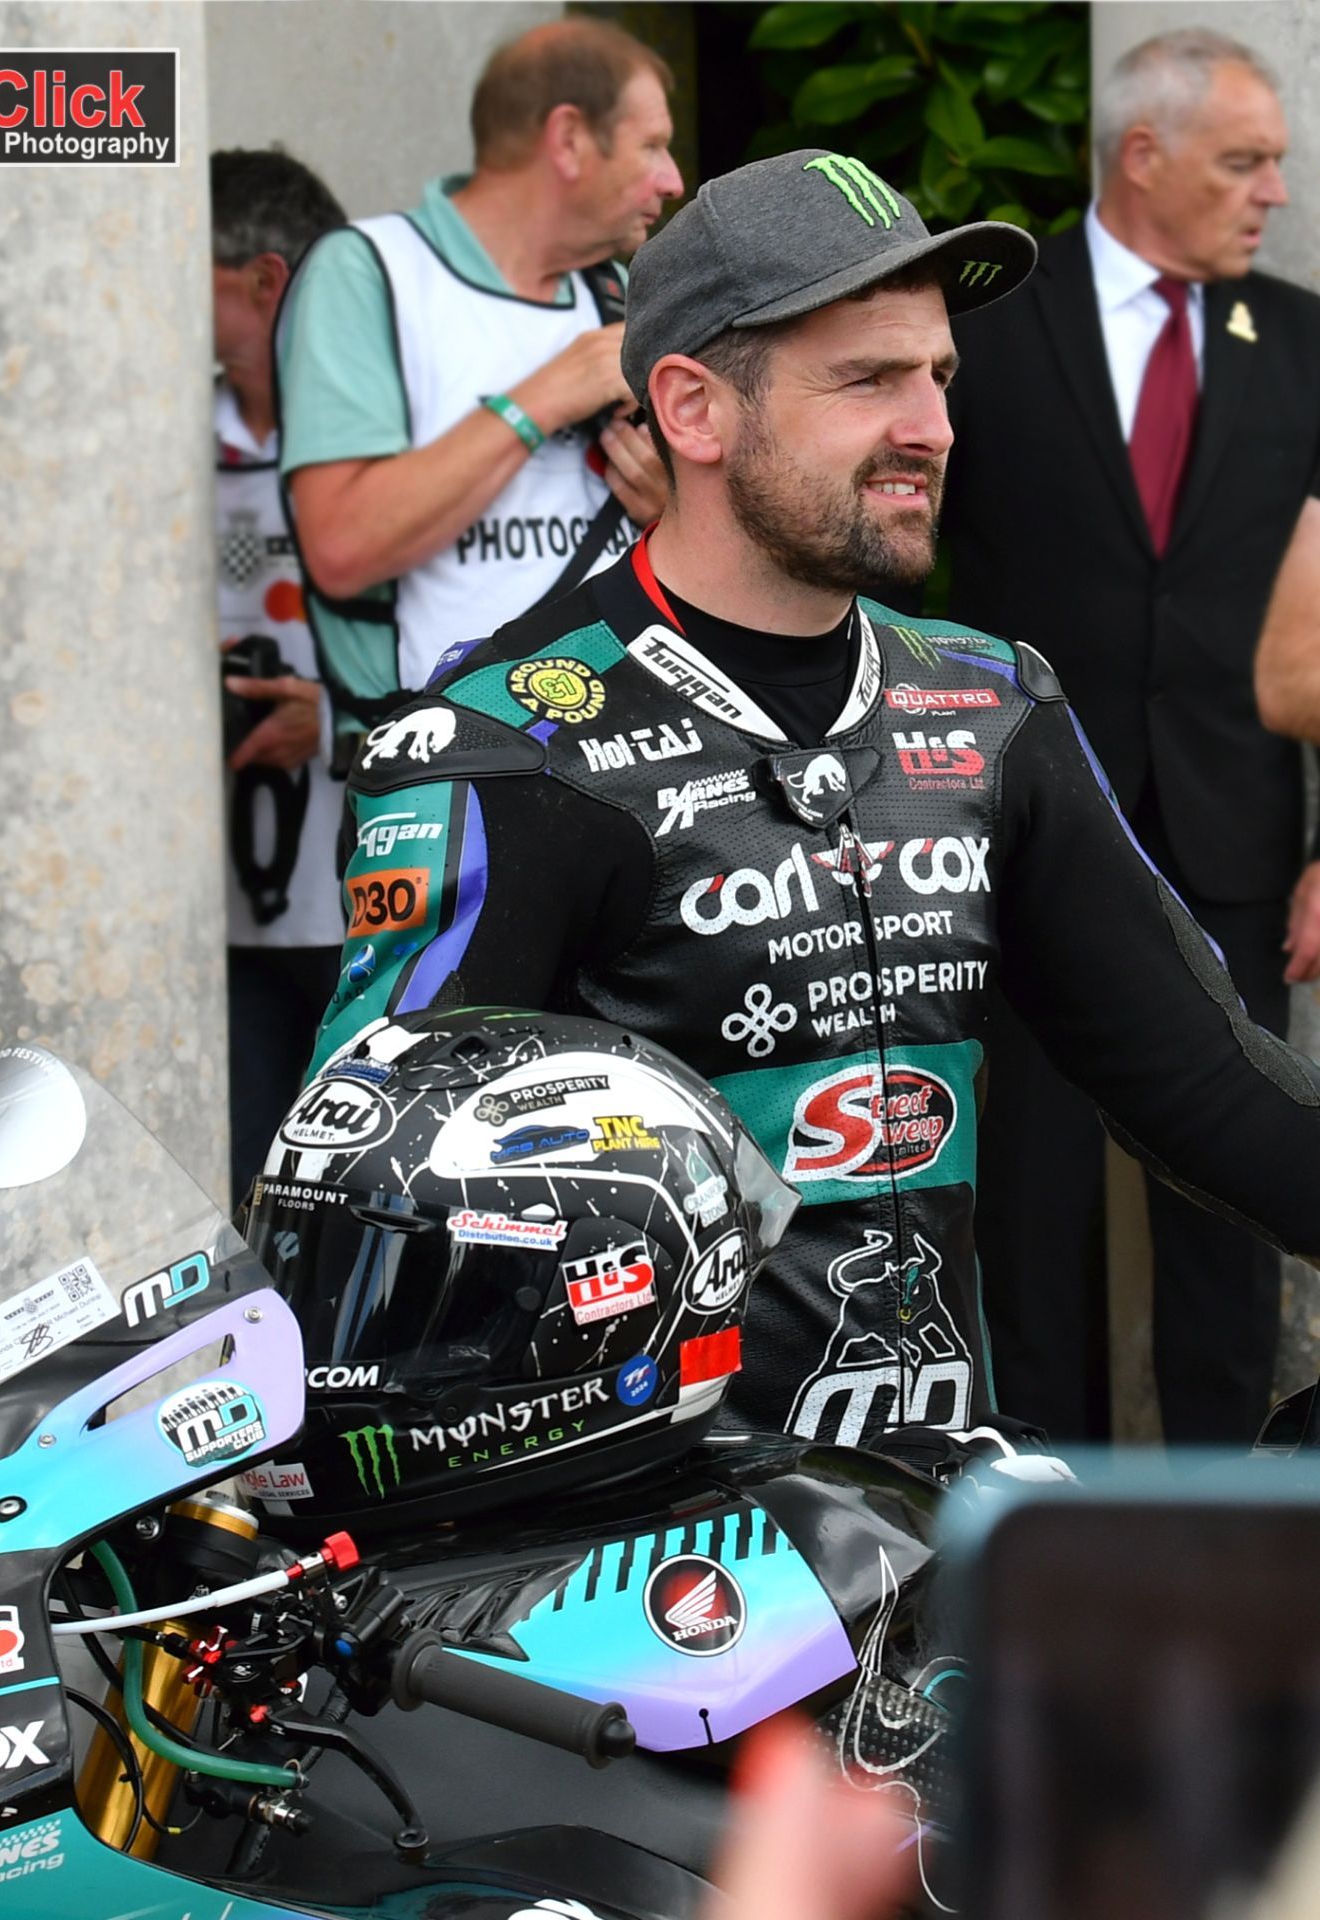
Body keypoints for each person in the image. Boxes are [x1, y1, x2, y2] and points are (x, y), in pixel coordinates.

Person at [302, 147, 1320, 1454]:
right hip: (639, 1545)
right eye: (867, 379)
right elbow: (363, 1203)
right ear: (692, 409)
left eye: (938, 376)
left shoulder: (989, 705)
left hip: (939, 1519)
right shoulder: (505, 745)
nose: (931, 426)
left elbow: (1208, 1089)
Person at [937, 30, 1320, 1446]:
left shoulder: (1303, 344)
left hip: (1233, 830)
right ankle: (1039, 1506)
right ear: (1141, 157)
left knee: (1236, 1207)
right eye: (1245, 161)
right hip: (1016, 834)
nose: (1273, 191)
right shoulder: (983, 331)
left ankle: (1228, 1514)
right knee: (1027, 1201)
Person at [274, 18, 681, 754]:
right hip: (439, 765)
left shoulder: (618, 294)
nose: (672, 179)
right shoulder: (369, 273)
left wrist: (674, 513)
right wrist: (544, 397)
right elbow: (341, 549)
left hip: (629, 752)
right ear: (568, 139)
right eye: (651, 146)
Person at [211, 148, 347, 1206]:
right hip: (220, 913)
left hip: (370, 901)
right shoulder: (155, 434)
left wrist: (335, 722)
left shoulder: (387, 435)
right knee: (238, 1197)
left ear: (263, 282)